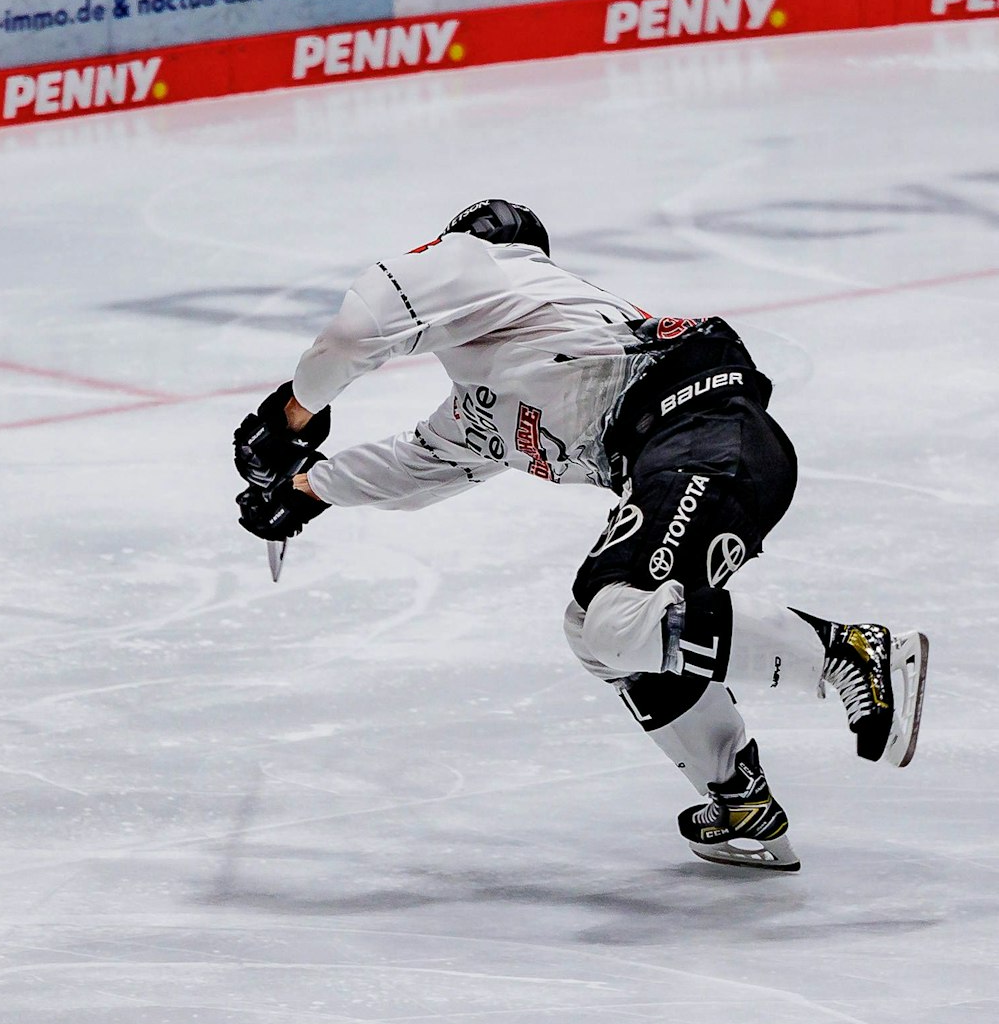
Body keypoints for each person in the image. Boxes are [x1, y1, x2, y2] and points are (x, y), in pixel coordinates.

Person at [233, 200, 928, 871]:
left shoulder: (489, 264)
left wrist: (289, 415)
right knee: (597, 631)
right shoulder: (490, 397)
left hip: (704, 429)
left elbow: (353, 336)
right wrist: (303, 491)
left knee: (616, 616)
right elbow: (416, 464)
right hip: (692, 454)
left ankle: (850, 653)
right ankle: (739, 801)